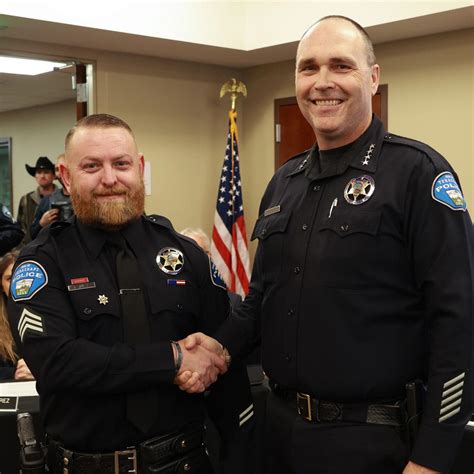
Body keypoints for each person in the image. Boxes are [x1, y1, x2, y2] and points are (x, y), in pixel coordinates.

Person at [181, 15, 473, 474]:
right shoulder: (284, 182)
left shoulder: (418, 174)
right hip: (278, 433)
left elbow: (459, 324)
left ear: (372, 78)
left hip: (371, 442)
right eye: (308, 68)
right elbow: (261, 299)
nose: (322, 83)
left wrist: (432, 458)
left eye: (341, 66)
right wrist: (218, 347)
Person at [8, 114, 253, 474]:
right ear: (66, 176)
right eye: (92, 166)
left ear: (139, 167)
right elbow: (58, 363)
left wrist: (239, 454)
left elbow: (222, 358)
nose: (110, 179)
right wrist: (172, 360)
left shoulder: (186, 256)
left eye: (121, 164)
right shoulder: (42, 263)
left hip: (185, 462)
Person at [0, 251, 33, 380]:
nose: (16, 284)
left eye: (21, 278)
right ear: (1, 285)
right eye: (9, 279)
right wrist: (14, 373)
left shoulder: (54, 313)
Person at [30, 154, 74, 240]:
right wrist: (41, 224)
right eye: (57, 169)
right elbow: (33, 234)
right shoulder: (48, 200)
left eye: (64, 168)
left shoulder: (86, 196)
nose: (60, 173)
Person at [17, 156, 56, 246]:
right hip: (30, 247)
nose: (42, 176)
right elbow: (20, 228)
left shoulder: (63, 197)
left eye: (46, 172)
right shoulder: (25, 199)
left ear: (54, 175)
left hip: (57, 247)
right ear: (35, 176)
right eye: (39, 172)